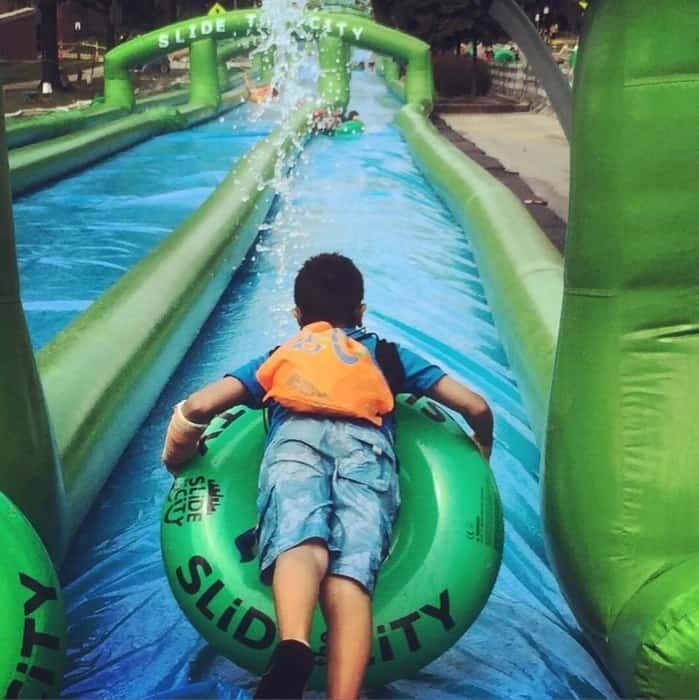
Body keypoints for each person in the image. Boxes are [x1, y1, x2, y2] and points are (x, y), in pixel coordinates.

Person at [161, 253, 494, 699]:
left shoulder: (283, 356)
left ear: (298, 317)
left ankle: (293, 645)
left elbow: (199, 406)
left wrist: (178, 455)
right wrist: (481, 445)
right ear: (361, 311)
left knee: (299, 542)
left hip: (294, 444)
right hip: (366, 452)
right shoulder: (387, 355)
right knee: (350, 574)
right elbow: (475, 405)